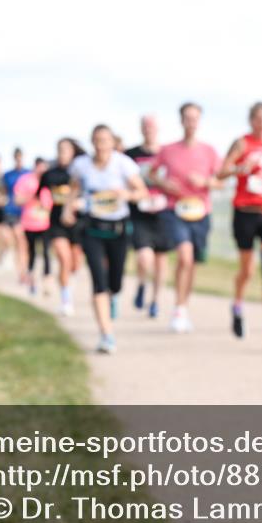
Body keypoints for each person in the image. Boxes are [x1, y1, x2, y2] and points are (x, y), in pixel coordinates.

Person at [63, 124, 148, 353]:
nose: (101, 145)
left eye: (105, 140)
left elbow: (142, 192)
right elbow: (74, 189)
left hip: (117, 229)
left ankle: (114, 295)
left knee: (115, 282)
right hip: (92, 229)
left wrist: (127, 194)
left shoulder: (123, 164)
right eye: (97, 140)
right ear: (92, 142)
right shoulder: (82, 165)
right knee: (99, 281)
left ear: (112, 142)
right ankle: (106, 334)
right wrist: (68, 209)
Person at [149, 103, 222, 334]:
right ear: (181, 121)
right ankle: (178, 311)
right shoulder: (167, 149)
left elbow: (221, 181)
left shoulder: (209, 151)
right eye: (187, 118)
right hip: (175, 210)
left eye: (195, 118)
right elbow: (151, 174)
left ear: (199, 122)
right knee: (184, 256)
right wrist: (164, 183)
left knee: (192, 264)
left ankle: (182, 307)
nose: (191, 122)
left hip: (201, 212)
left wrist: (205, 182)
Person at [217, 102, 262, 347]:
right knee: (247, 271)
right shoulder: (242, 143)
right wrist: (238, 169)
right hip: (245, 213)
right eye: (259, 119)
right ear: (251, 120)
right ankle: (237, 306)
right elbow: (221, 173)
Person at [126, 115, 171, 319]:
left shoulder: (167, 153)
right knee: (144, 257)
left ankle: (155, 300)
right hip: (140, 213)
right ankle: (142, 284)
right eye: (145, 126)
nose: (149, 129)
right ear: (141, 129)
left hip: (163, 213)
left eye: (152, 126)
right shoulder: (131, 154)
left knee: (161, 260)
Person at [40, 137, 85, 316]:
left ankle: (69, 284)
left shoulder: (81, 172)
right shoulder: (50, 174)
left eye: (66, 150)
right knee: (64, 259)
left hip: (78, 222)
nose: (62, 153)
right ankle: (66, 300)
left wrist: (80, 202)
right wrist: (42, 205)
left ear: (73, 152)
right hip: (57, 221)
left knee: (75, 263)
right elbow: (40, 193)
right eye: (60, 150)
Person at [14, 157, 53, 296]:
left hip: (45, 223)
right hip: (29, 224)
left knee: (46, 252)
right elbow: (17, 200)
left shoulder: (49, 181)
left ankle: (47, 283)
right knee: (31, 253)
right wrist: (32, 197)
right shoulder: (26, 180)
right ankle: (31, 281)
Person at [2, 148, 30, 282]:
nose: (19, 159)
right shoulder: (8, 175)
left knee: (21, 242)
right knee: (11, 239)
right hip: (11, 211)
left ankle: (22, 271)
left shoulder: (28, 174)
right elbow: (4, 192)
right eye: (16, 157)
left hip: (26, 212)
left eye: (20, 157)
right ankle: (19, 268)